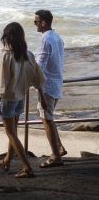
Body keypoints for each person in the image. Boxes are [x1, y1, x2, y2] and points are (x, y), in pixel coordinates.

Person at [0, 22, 47, 178]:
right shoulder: (28, 54)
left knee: (10, 133)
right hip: (21, 98)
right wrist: (41, 97)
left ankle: (27, 167)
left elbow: (2, 82)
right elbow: (37, 77)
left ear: (8, 37)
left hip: (8, 99)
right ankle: (7, 160)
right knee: (14, 132)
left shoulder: (6, 56)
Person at [34, 9, 67, 168]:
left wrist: (32, 81)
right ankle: (59, 148)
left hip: (47, 86)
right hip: (57, 82)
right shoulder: (57, 37)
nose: (35, 25)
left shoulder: (45, 39)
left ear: (44, 23)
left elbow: (40, 65)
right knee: (49, 117)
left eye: (36, 21)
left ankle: (55, 156)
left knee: (46, 119)